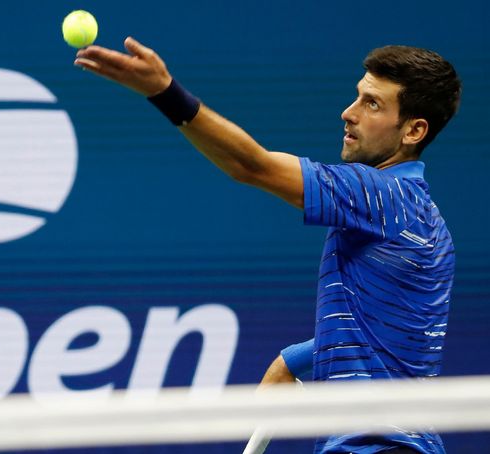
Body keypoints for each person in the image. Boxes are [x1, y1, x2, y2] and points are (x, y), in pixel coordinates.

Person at [75, 39, 461, 453]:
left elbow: (251, 166)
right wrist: (292, 359)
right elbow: (386, 337)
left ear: (413, 130)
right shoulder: (426, 222)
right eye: (357, 97)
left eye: (372, 104)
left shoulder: (380, 195)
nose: (348, 113)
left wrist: (165, 92)